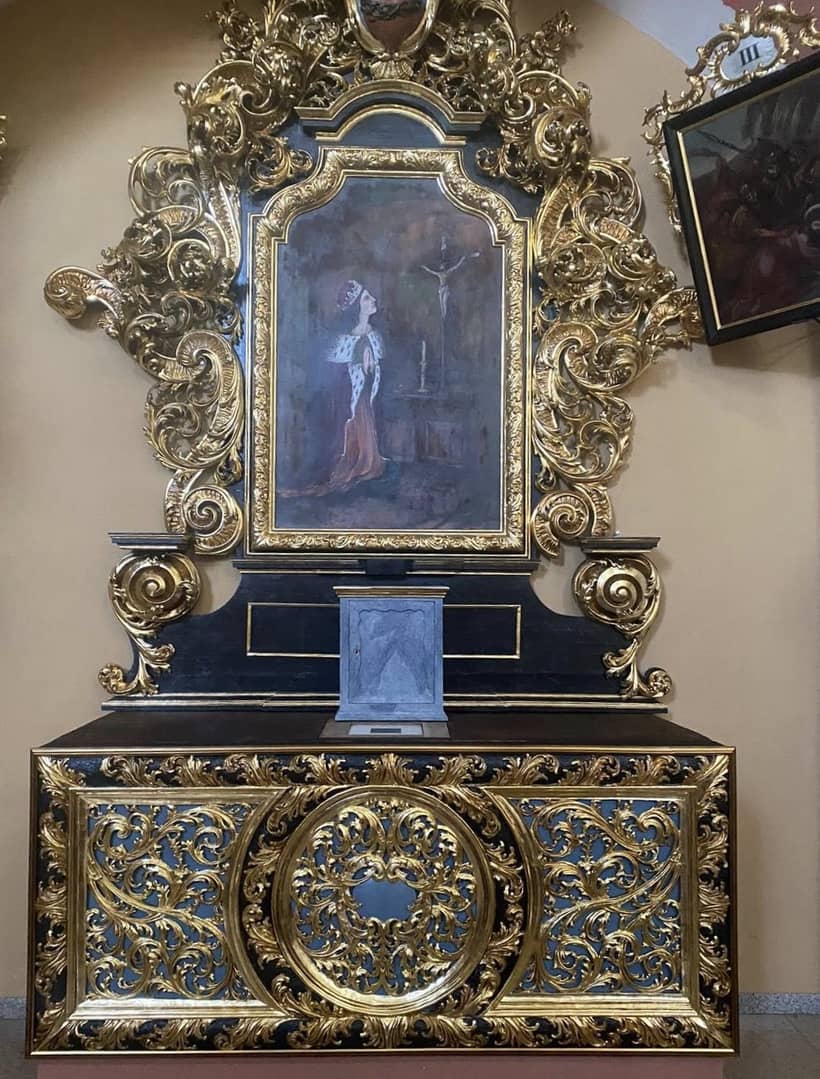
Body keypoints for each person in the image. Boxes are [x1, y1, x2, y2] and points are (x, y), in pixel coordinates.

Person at [311, 279, 387, 495]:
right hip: (351, 401)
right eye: (367, 298)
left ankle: (369, 460)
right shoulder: (344, 340)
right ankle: (352, 462)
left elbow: (380, 372)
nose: (373, 300)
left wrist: (371, 367)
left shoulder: (376, 335)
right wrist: (358, 363)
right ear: (357, 307)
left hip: (369, 397)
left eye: (371, 296)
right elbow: (335, 378)